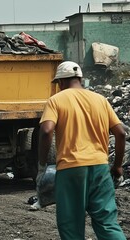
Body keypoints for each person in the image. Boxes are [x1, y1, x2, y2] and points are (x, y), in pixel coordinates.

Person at [38, 61, 126, 239]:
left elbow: (46, 131)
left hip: (70, 170)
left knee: (71, 226)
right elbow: (121, 133)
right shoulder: (100, 100)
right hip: (100, 167)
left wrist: (41, 164)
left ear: (60, 83)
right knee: (107, 223)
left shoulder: (56, 100)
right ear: (80, 78)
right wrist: (117, 166)